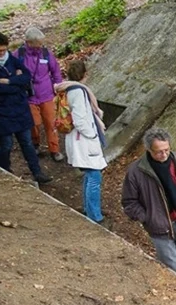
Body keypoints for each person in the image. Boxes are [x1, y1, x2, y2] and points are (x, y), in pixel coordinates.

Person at [121, 128, 176, 277]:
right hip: (160, 227)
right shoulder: (136, 171)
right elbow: (129, 201)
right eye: (159, 151)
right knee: (172, 268)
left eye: (167, 150)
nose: (164, 154)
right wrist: (147, 218)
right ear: (149, 150)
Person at [0, 31, 51, 183]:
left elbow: (26, 76)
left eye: (4, 49)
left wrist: (10, 81)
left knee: (27, 142)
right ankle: (5, 170)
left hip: (18, 108)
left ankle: (37, 172)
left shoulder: (10, 57)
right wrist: (17, 82)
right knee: (6, 144)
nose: (2, 53)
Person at [55, 60, 107, 225]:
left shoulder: (67, 89)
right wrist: (92, 135)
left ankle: (89, 209)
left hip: (77, 138)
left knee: (90, 174)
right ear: (85, 74)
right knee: (94, 176)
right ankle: (94, 215)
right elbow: (80, 119)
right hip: (83, 139)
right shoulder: (78, 91)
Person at [14, 27, 63, 161]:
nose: (41, 46)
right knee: (33, 123)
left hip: (47, 94)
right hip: (28, 96)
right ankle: (35, 144)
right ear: (29, 42)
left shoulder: (46, 53)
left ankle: (55, 149)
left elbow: (56, 71)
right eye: (38, 43)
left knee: (51, 123)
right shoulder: (18, 55)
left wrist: (57, 86)